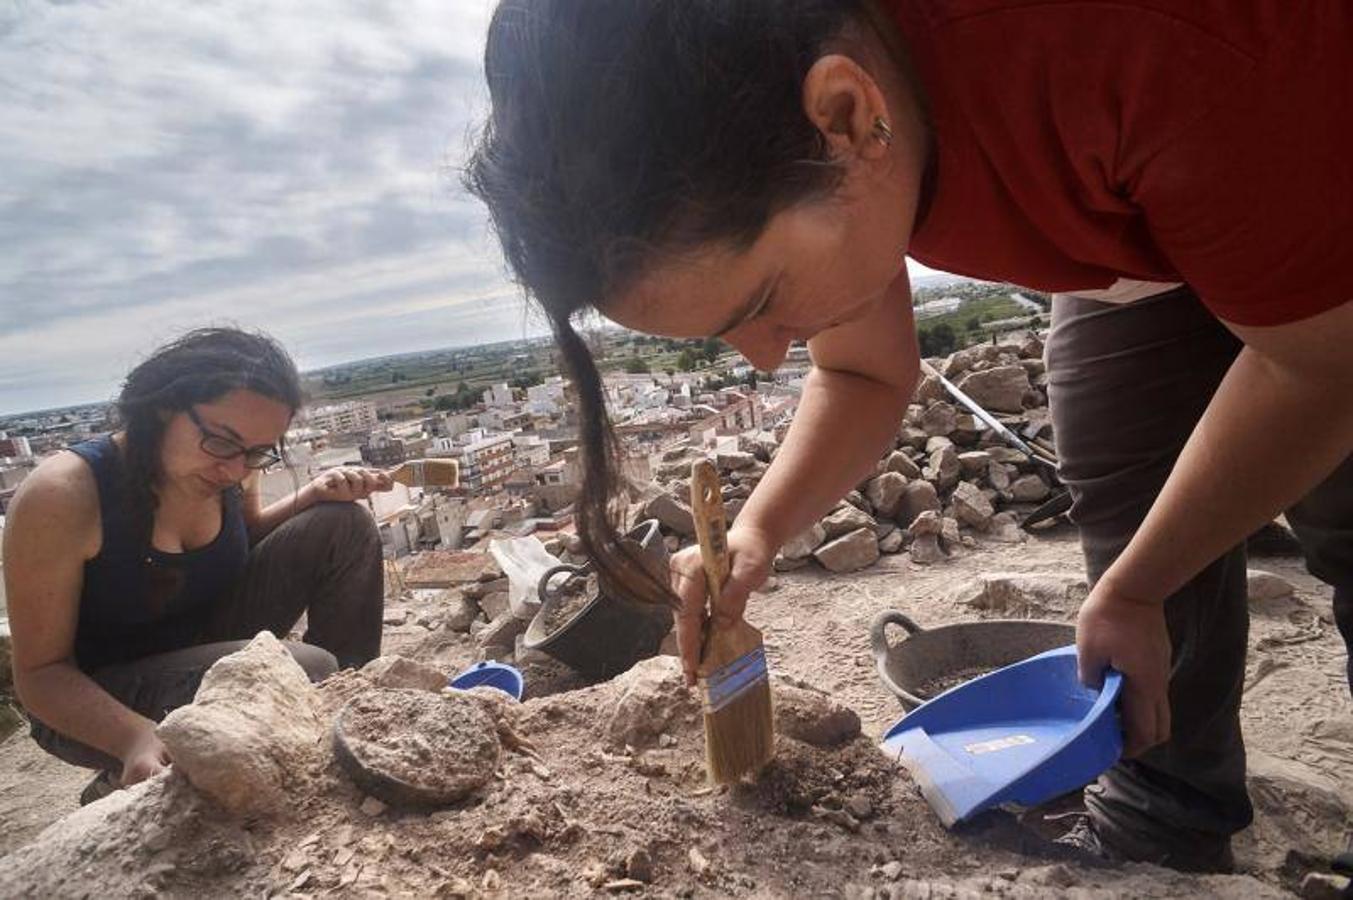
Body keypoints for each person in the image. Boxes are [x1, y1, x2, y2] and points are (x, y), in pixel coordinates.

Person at [462, 0, 1352, 873]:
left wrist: (1136, 588)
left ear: (845, 117)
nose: (768, 357)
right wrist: (756, 532)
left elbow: (1324, 365)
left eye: (762, 302)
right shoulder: (811, 105)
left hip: (1308, 163)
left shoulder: (1142, 39)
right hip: (1133, 222)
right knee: (1133, 502)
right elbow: (860, 372)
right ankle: (1165, 822)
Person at [3, 327, 392, 804]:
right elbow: (41, 676)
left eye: (255, 453)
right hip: (94, 696)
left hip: (198, 640)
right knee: (306, 669)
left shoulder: (232, 464)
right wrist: (134, 737)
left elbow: (243, 537)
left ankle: (350, 718)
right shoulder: (64, 495)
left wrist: (315, 496)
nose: (234, 471)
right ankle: (115, 791)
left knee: (345, 526)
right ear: (164, 406)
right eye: (222, 442)